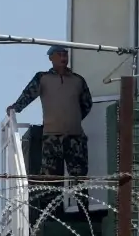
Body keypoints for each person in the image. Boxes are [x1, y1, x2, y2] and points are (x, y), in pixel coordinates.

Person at [7, 45, 93, 183]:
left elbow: (87, 104)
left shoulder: (78, 80)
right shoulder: (43, 78)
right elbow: (28, 94)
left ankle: (82, 205)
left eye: (65, 54)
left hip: (75, 138)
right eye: (59, 55)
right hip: (52, 137)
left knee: (79, 178)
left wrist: (73, 119)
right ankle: (53, 204)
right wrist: (16, 107)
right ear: (51, 58)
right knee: (51, 179)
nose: (63, 58)